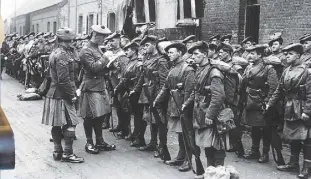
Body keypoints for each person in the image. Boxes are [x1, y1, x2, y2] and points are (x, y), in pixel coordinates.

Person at [267, 43, 311, 179]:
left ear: (298, 55)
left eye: (290, 54)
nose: (286, 57)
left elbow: (310, 94)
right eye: (285, 54)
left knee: (307, 138)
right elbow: (279, 89)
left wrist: (307, 111)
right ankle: (293, 163)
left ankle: (307, 167)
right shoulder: (287, 70)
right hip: (289, 107)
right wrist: (270, 103)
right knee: (293, 137)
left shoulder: (307, 71)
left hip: (302, 107)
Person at [41, 27, 83, 163]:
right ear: (59, 40)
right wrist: (72, 95)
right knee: (71, 123)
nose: (70, 43)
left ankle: (57, 151)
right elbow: (63, 79)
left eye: (71, 40)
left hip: (54, 93)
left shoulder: (55, 52)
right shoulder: (63, 55)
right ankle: (68, 153)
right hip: (62, 94)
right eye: (66, 41)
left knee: (56, 123)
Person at [184, 41, 228, 169]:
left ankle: (219, 174)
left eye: (196, 54)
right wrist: (187, 103)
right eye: (192, 54)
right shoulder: (199, 69)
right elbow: (196, 91)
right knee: (207, 145)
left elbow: (218, 96)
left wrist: (210, 115)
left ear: (204, 54)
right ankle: (210, 172)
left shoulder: (214, 71)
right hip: (201, 112)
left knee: (217, 144)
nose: (193, 57)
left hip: (214, 113)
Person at [79, 25, 116, 154]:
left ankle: (99, 141)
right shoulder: (86, 50)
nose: (104, 39)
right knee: (89, 116)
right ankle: (89, 143)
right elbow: (93, 68)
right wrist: (106, 57)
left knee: (100, 115)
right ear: (95, 35)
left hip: (99, 85)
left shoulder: (96, 48)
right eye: (103, 37)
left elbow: (101, 67)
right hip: (91, 87)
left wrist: (111, 64)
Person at [240, 44, 278, 163]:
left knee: (265, 128)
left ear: (260, 55)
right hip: (250, 101)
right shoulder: (248, 67)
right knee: (254, 126)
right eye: (249, 53)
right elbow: (244, 84)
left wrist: (267, 102)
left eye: (253, 53)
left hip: (262, 101)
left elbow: (273, 87)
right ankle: (255, 151)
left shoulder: (268, 68)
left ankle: (265, 153)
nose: (249, 56)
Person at [137, 35, 170, 158]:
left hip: (157, 94)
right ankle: (153, 142)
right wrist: (136, 89)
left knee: (161, 121)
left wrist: (160, 98)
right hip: (148, 93)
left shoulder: (161, 60)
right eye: (144, 45)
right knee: (151, 119)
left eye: (147, 45)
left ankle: (162, 146)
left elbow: (164, 81)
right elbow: (143, 76)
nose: (145, 47)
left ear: (154, 44)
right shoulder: (147, 57)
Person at [114, 41, 145, 145]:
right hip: (129, 91)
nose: (126, 52)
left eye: (127, 50)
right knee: (133, 114)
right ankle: (134, 134)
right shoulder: (129, 61)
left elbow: (138, 79)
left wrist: (134, 90)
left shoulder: (138, 63)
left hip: (136, 92)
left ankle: (139, 138)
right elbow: (124, 78)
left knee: (138, 115)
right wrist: (118, 88)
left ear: (134, 51)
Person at [105, 32, 131, 139]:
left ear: (119, 41)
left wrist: (119, 87)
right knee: (117, 108)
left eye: (113, 40)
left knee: (124, 109)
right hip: (113, 85)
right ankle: (120, 126)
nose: (111, 43)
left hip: (121, 86)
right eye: (110, 41)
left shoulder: (122, 56)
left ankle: (126, 130)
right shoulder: (111, 54)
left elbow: (125, 73)